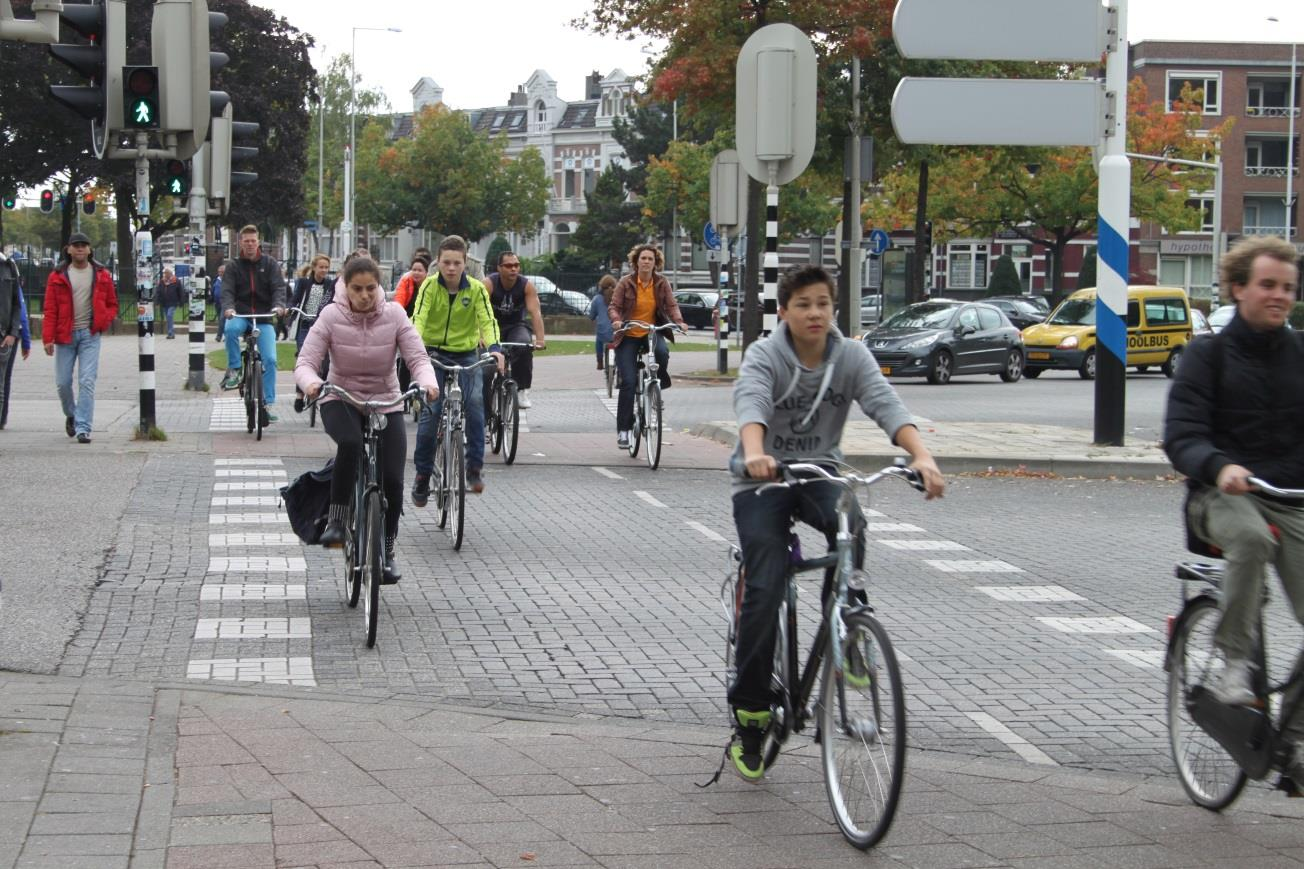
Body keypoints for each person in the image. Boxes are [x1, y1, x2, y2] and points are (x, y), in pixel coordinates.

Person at [726, 265, 944, 782]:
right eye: (803, 303)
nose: (815, 312)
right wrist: (756, 454)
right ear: (784, 311)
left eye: (823, 303)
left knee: (851, 521)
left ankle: (845, 623)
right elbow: (751, 403)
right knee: (766, 582)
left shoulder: (850, 356)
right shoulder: (765, 355)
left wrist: (922, 457)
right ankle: (752, 714)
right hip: (763, 479)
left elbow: (887, 406)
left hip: (820, 471)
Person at [1163, 234, 1304, 783]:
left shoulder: (1300, 354)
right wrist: (1219, 465)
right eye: (1268, 285)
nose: (1280, 296)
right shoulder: (1208, 355)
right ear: (1238, 288)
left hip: (1288, 498)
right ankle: (1234, 662)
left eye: (1288, 288)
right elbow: (1181, 435)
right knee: (1250, 539)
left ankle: (1288, 743)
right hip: (1219, 494)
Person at [296, 256, 438, 583]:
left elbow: (417, 357)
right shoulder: (331, 315)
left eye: (370, 288)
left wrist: (427, 383)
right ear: (346, 287)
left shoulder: (394, 314)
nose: (364, 295)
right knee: (349, 442)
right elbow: (306, 360)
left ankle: (386, 550)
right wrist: (312, 384)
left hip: (386, 399)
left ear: (379, 288)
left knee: (392, 477)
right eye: (357, 289)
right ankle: (337, 518)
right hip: (340, 396)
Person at [410, 235, 503, 500]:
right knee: (431, 413)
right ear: (438, 263)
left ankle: (474, 467)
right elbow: (418, 318)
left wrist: (494, 349)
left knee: (474, 403)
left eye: (457, 263)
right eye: (446, 263)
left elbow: (487, 320)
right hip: (433, 353)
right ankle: (422, 476)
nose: (451, 268)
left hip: (465, 354)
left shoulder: (475, 289)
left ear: (465, 264)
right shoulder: (429, 287)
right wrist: (416, 350)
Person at [42, 232, 119, 444]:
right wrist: (47, 338)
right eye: (76, 245)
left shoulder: (101, 274)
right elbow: (50, 309)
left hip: (89, 335)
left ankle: (83, 427)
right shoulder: (57, 276)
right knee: (63, 383)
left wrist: (104, 320)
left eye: (84, 245)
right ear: (68, 249)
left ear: (89, 249)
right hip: (64, 336)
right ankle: (71, 414)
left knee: (87, 380)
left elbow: (113, 303)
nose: (80, 249)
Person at [608, 244, 687, 449]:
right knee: (629, 381)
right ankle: (624, 431)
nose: (646, 262)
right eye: (642, 258)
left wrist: (679, 321)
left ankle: (656, 386)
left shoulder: (661, 283)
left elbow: (671, 305)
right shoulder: (626, 283)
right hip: (629, 333)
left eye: (650, 259)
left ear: (656, 262)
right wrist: (617, 320)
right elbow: (614, 306)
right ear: (636, 262)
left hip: (651, 331)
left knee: (662, 352)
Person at [220, 225, 288, 423]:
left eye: (253, 241)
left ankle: (267, 403)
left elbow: (278, 288)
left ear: (258, 242)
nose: (250, 244)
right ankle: (234, 368)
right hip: (240, 314)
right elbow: (227, 291)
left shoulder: (270, 264)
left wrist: (278, 306)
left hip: (263, 316)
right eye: (246, 241)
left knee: (271, 359)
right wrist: (229, 308)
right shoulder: (233, 266)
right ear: (241, 242)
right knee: (230, 330)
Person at [481, 250, 546, 409]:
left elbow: (535, 312)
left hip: (516, 325)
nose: (513, 269)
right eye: (509, 266)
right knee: (485, 360)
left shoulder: (526, 285)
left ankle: (522, 390)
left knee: (524, 345)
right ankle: (484, 396)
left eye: (516, 265)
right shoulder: (488, 284)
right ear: (499, 268)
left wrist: (540, 339)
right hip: (492, 326)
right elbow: (478, 312)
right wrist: (480, 336)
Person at [288, 254, 334, 413]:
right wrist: (291, 309)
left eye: (326, 267)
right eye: (321, 267)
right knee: (304, 358)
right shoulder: (303, 283)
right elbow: (294, 300)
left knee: (327, 360)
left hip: (322, 325)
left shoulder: (330, 285)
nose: (323, 270)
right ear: (314, 268)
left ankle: (322, 392)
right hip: (305, 324)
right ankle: (299, 395)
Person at [1, 267, 31, 430]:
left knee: (3, 377)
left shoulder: (8, 267)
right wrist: (26, 340)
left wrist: (25, 339)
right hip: (12, 331)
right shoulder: (9, 268)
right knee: (4, 378)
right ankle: (2, 416)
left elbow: (19, 307)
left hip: (9, 332)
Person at [588, 274, 616, 371]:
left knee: (599, 339)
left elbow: (592, 316)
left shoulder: (597, 299)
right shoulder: (618, 298)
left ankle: (600, 361)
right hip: (617, 331)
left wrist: (592, 318)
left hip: (602, 332)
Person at [157, 268, 182, 339]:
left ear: (170, 273)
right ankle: (171, 333)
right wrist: (157, 302)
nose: (165, 274)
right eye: (164, 273)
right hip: (164, 303)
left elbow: (180, 291)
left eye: (166, 273)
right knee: (168, 318)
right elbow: (158, 291)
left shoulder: (176, 281)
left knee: (169, 315)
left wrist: (181, 302)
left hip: (173, 302)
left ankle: (170, 333)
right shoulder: (162, 281)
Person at [211, 264, 225, 342]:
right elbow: (213, 290)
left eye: (222, 272)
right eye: (219, 272)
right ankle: (221, 335)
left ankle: (219, 336)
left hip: (225, 303)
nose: (220, 273)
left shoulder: (228, 280)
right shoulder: (216, 280)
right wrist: (211, 299)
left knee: (222, 319)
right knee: (220, 320)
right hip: (217, 303)